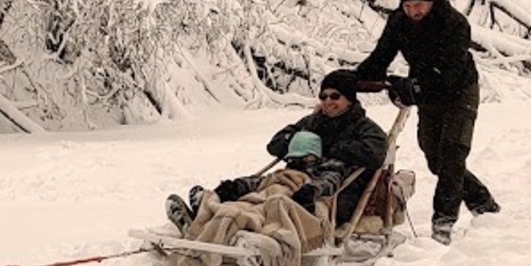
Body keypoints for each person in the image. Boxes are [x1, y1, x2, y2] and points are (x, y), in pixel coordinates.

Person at [353, 0, 499, 243]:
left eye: (418, 5)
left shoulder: (454, 23)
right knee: (435, 160)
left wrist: (414, 88)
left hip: (459, 92)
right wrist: (353, 80)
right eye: (407, 6)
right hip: (427, 94)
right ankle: (482, 202)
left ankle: (443, 224)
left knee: (452, 153)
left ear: (431, 1)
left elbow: (450, 73)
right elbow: (381, 55)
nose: (413, 11)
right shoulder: (399, 22)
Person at [166, 69, 388, 231]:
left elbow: (376, 154)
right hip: (295, 175)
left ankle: (238, 226)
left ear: (349, 99)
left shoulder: (366, 128)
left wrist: (330, 149)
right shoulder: (313, 122)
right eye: (323, 96)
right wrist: (296, 144)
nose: (328, 102)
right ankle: (206, 210)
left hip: (341, 191)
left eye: (335, 96)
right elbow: (275, 144)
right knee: (255, 189)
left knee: (280, 201)